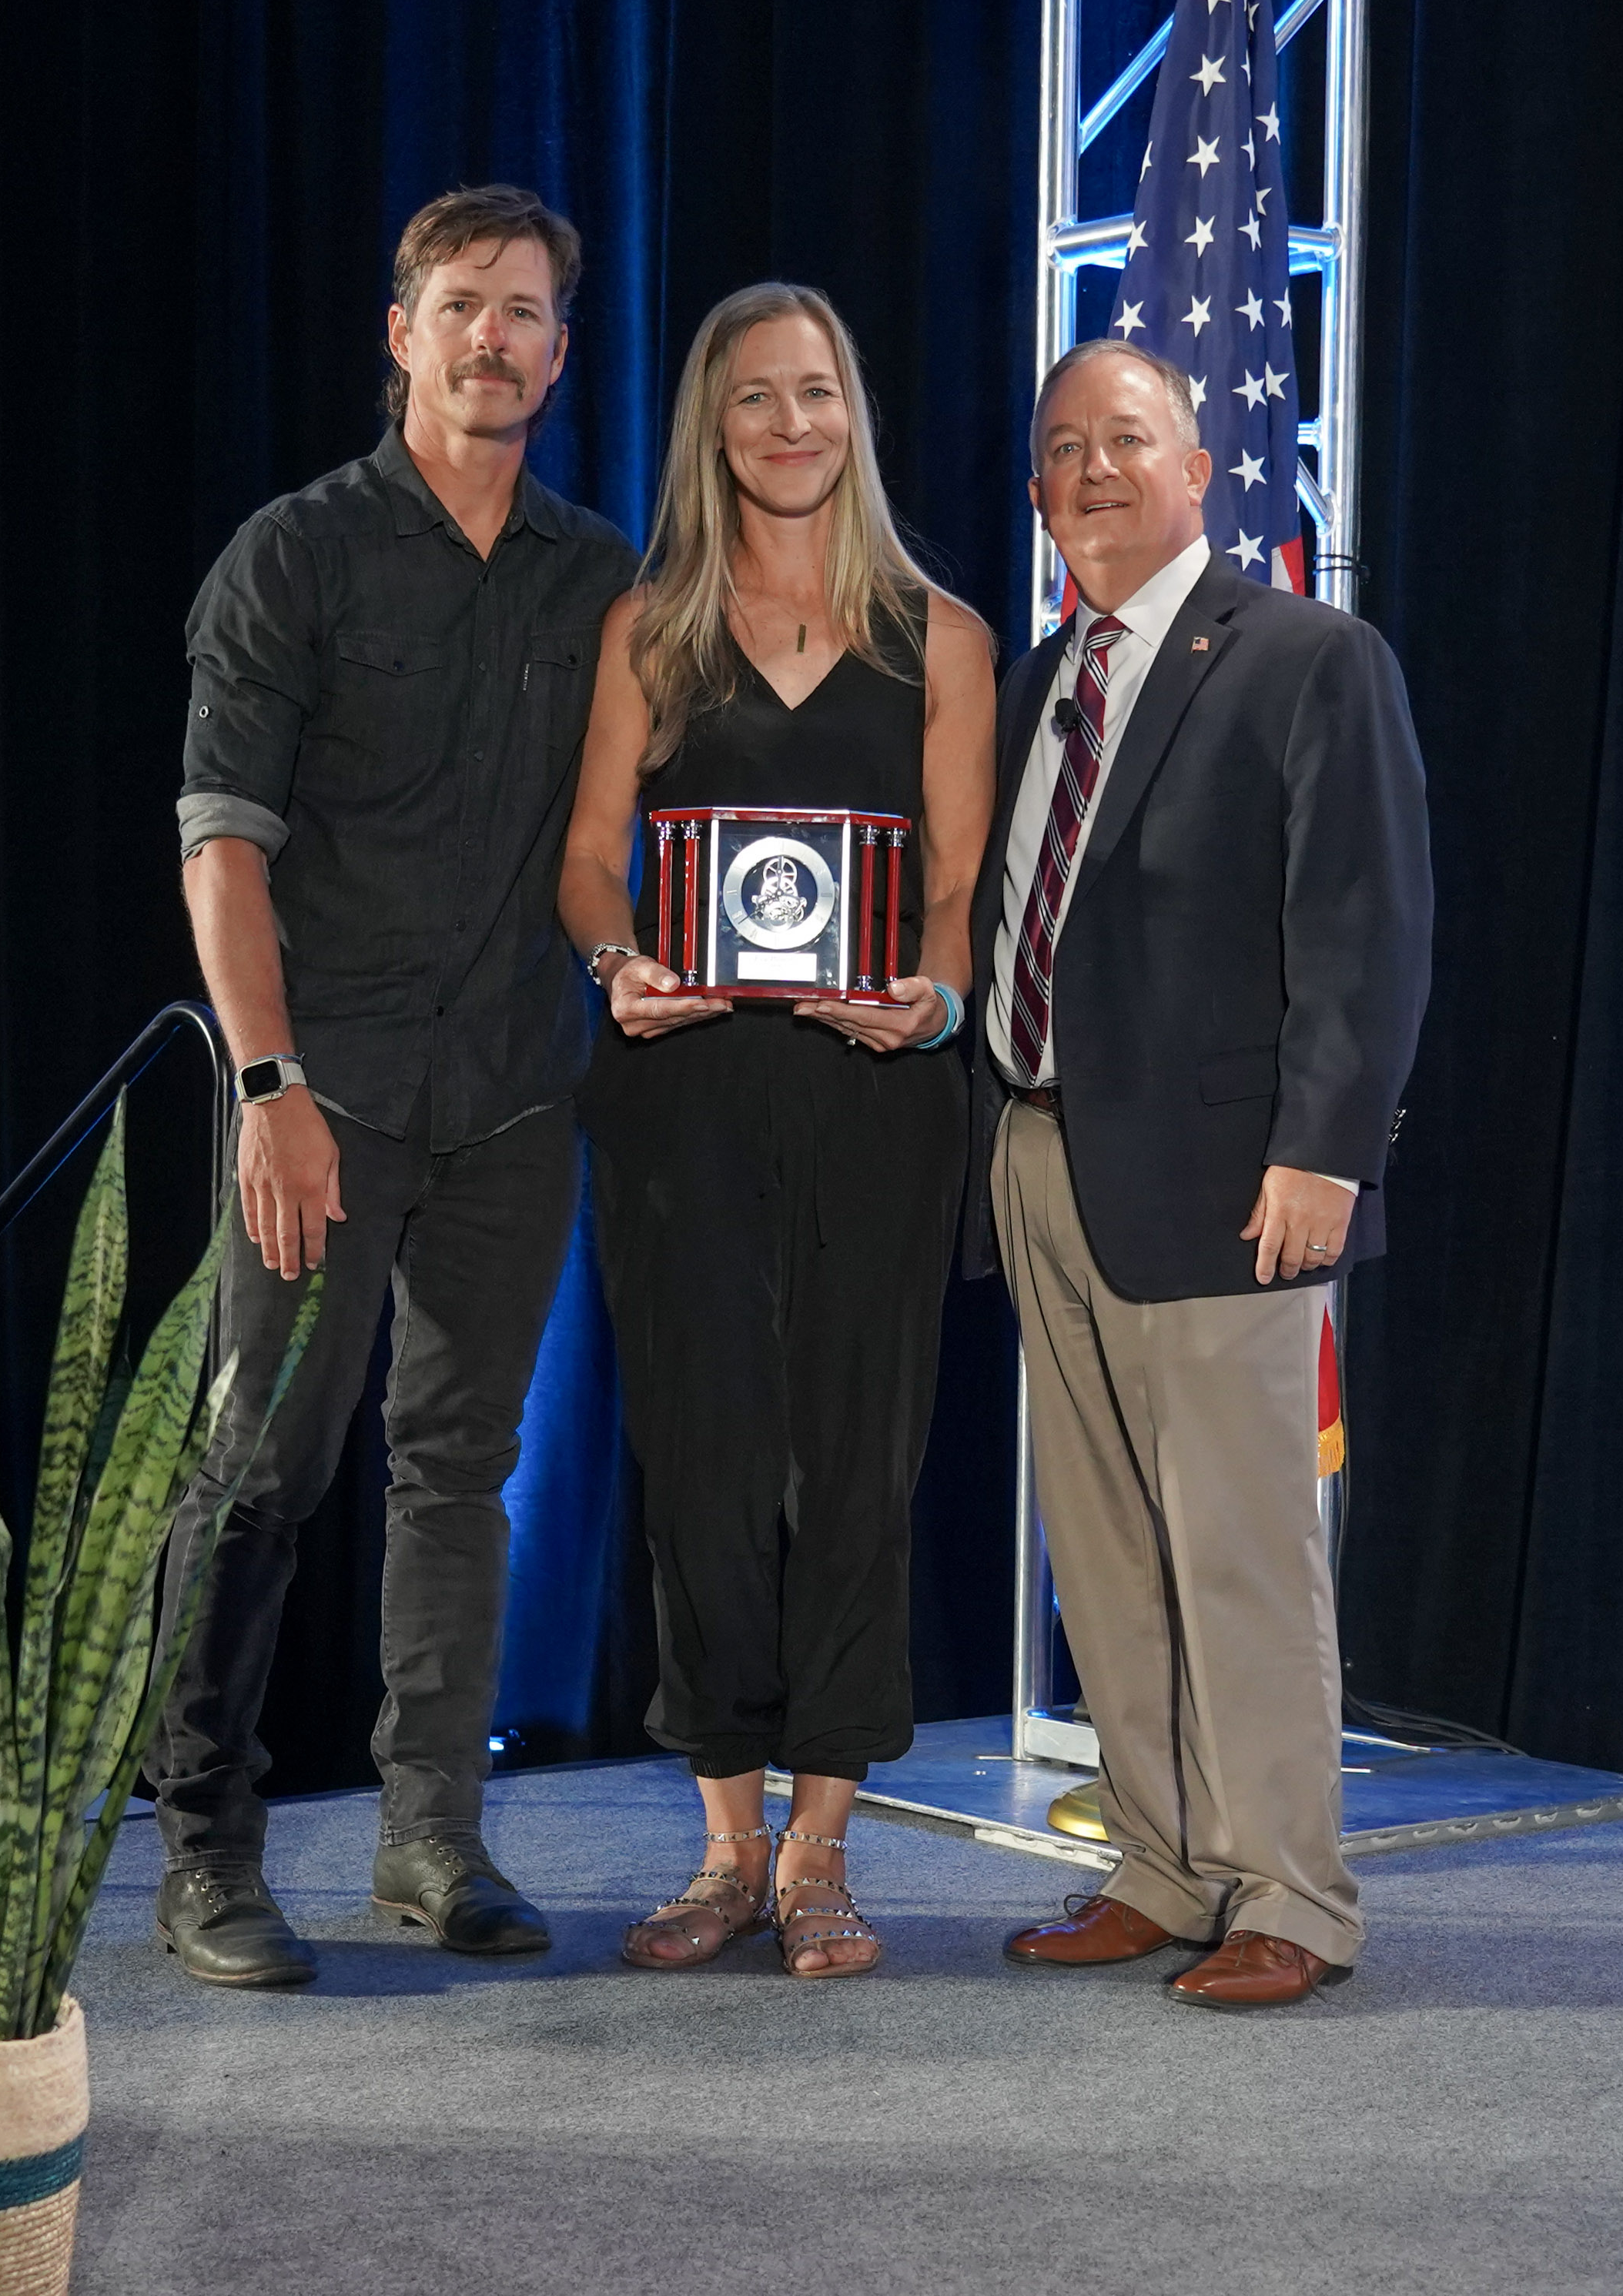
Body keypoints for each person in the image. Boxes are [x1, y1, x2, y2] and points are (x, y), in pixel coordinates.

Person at [151, 185, 640, 1990]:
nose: (490, 337)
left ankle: (431, 1835)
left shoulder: (601, 578)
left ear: (558, 355)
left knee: (457, 1472)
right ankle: (204, 1850)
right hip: (324, 1097)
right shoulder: (293, 557)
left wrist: (634, 962)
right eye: (460, 305)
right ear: (400, 332)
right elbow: (221, 848)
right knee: (260, 1468)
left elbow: (603, 845)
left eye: (522, 312)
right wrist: (268, 1083)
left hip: (512, 1097)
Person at [976, 338, 1429, 2012]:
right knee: (1101, 1553)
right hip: (1040, 1159)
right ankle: (1163, 1863)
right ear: (1038, 491)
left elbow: (1366, 925)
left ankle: (1289, 1893)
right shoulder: (1035, 680)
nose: (1093, 467)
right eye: (1063, 446)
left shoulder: (1308, 657)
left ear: (1197, 472)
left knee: (1239, 1552)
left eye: (1127, 438)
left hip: (1233, 1184)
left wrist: (1323, 1150)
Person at [558, 284, 994, 1978]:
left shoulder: (939, 636)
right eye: (757, 397)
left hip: (878, 1096)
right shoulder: (649, 629)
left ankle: (822, 1854)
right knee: (706, 1466)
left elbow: (953, 889)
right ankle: (726, 1848)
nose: (791, 423)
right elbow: (588, 855)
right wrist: (616, 962)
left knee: (855, 1469)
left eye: (816, 392)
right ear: (713, 424)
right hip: (683, 1095)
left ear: (851, 413)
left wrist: (934, 1005)